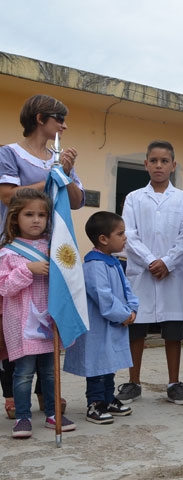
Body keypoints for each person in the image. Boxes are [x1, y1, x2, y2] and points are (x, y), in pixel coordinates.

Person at [0, 94, 83, 420]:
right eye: (58, 119)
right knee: (11, 325)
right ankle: (12, 394)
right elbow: (7, 194)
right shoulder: (9, 153)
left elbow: (75, 200)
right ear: (40, 119)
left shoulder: (60, 157)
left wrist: (68, 171)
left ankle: (46, 394)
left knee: (46, 319)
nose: (63, 126)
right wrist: (52, 176)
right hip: (13, 246)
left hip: (50, 249)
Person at [119, 140, 183, 405]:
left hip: (171, 273)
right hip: (142, 271)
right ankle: (133, 382)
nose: (159, 165)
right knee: (137, 328)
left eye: (164, 161)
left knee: (173, 329)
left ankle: (174, 383)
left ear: (173, 165)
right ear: (146, 164)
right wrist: (152, 261)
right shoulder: (134, 198)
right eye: (154, 161)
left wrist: (168, 262)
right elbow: (128, 234)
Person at [0, 188, 77, 438]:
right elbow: (4, 286)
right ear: (15, 218)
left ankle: (53, 413)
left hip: (49, 320)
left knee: (50, 372)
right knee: (23, 374)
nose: (36, 220)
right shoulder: (8, 252)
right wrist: (28, 270)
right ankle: (23, 416)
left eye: (42, 215)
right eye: (29, 214)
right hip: (22, 324)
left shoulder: (54, 246)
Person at [64, 212, 138, 424]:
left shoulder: (113, 262)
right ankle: (95, 403)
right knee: (97, 365)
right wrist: (123, 315)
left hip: (115, 324)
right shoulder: (94, 265)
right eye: (120, 233)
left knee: (109, 364)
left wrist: (133, 309)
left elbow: (127, 289)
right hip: (99, 325)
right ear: (103, 239)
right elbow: (103, 297)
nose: (125, 237)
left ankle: (108, 398)